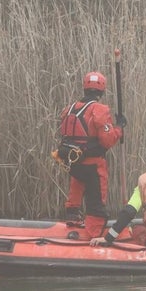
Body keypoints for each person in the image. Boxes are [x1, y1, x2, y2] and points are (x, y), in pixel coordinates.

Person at [57, 71, 125, 238]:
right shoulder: (99, 110)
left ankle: (73, 215)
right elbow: (107, 141)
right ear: (101, 91)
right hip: (93, 164)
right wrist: (119, 128)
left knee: (77, 183)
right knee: (96, 200)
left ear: (85, 87)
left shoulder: (69, 109)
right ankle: (93, 234)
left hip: (73, 163)